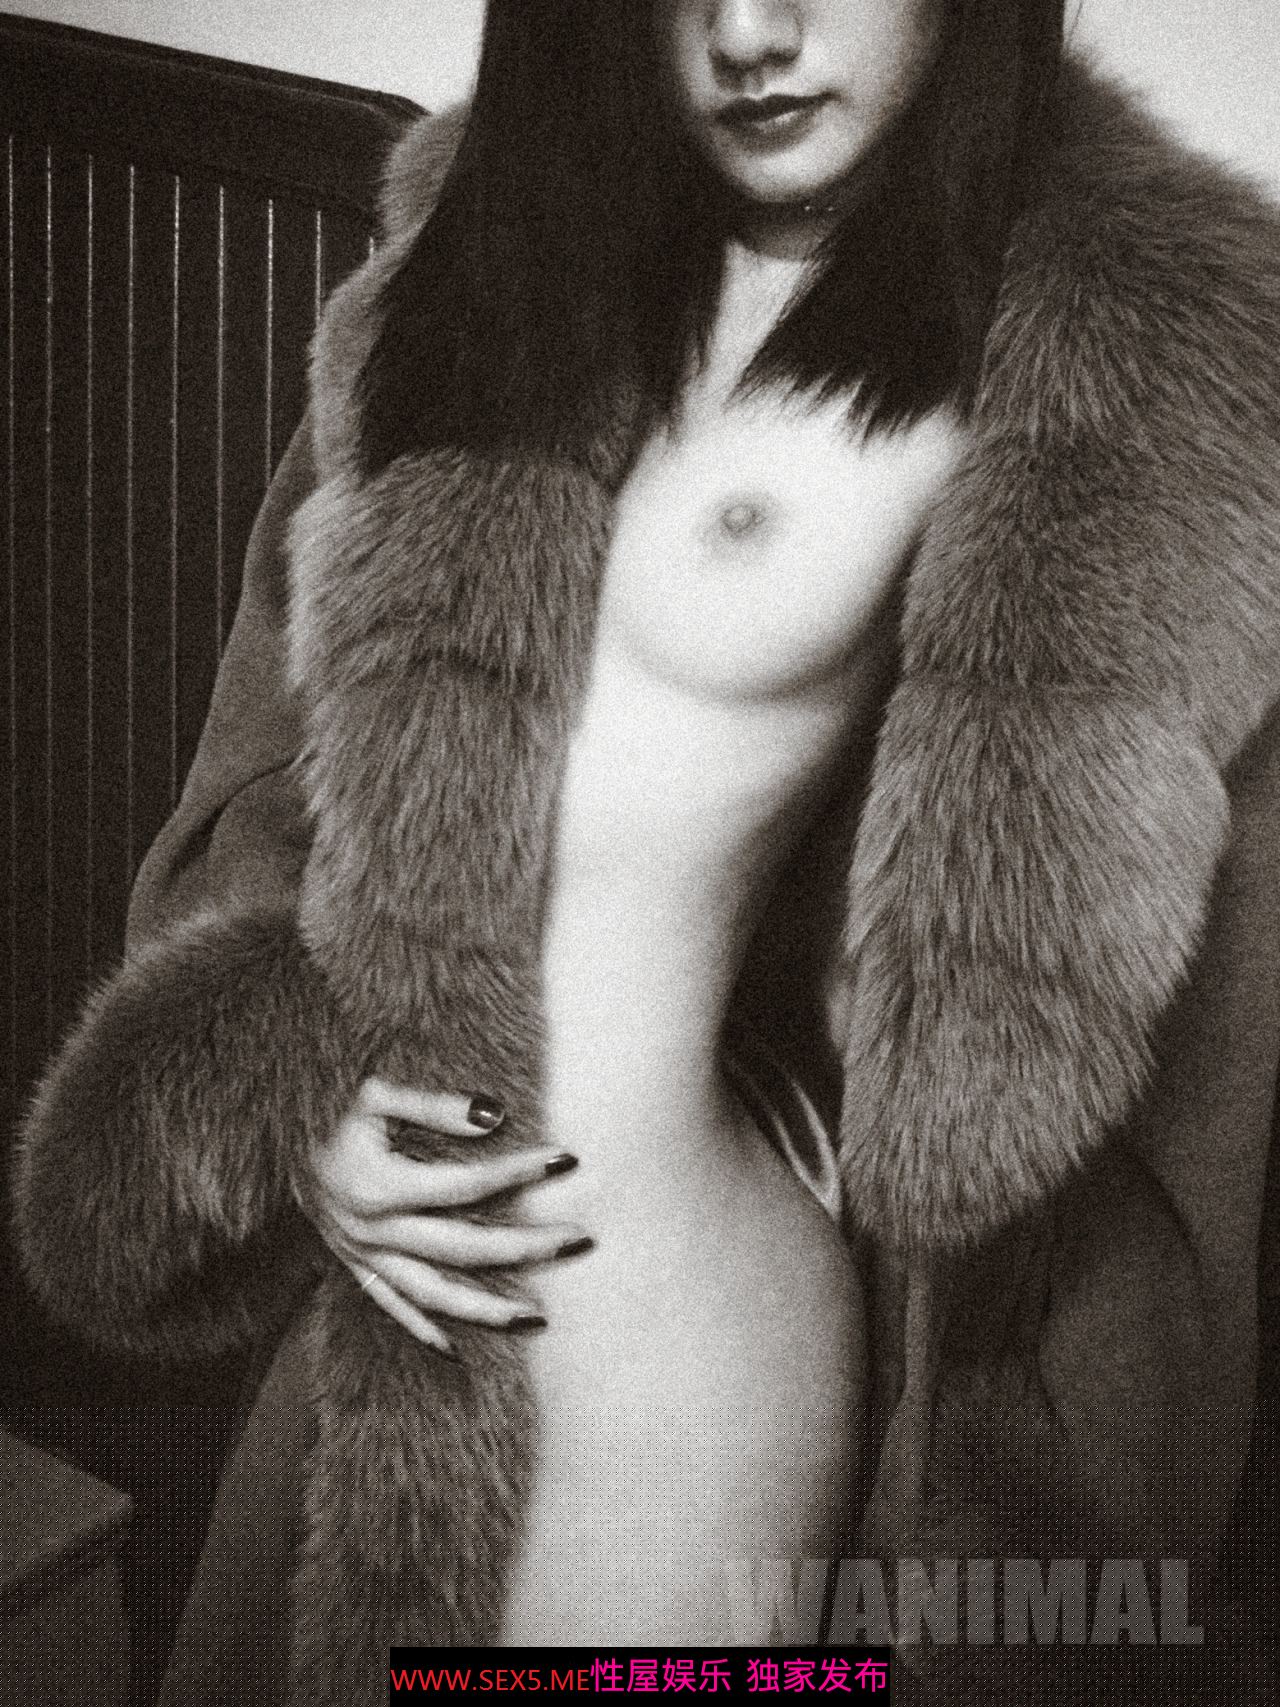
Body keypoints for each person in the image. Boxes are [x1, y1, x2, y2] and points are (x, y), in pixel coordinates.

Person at [11, 0, 1280, 1701]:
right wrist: (295, 1108)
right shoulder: (481, 253)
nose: (749, 31)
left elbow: (1175, 1084)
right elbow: (276, 781)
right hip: (397, 1279)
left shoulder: (1129, 367)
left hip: (674, 1340)